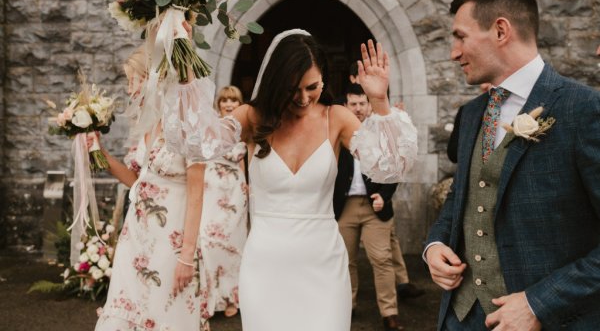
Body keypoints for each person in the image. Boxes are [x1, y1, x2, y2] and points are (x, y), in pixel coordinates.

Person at [164, 29, 418, 331]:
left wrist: (379, 101)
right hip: (266, 264)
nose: (302, 98)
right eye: (291, 89)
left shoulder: (335, 118)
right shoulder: (252, 117)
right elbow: (194, 143)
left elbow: (390, 165)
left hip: (323, 264)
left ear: (323, 78)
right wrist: (185, 75)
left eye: (311, 87)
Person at [425, 0, 600, 330]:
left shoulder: (582, 109)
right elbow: (462, 195)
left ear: (501, 31)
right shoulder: (474, 113)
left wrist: (539, 304)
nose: (453, 53)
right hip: (460, 318)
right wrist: (434, 245)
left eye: (460, 36)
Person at [95, 47, 210, 331]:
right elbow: (139, 182)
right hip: (135, 239)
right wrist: (99, 152)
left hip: (169, 246)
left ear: (154, 79)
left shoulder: (188, 124)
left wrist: (186, 256)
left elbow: (196, 194)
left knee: (165, 318)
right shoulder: (149, 125)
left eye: (132, 80)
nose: (129, 89)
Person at [333, 83, 403, 331]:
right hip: (344, 206)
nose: (359, 108)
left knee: (381, 259)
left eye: (363, 103)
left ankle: (390, 313)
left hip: (376, 206)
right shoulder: (335, 133)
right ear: (345, 106)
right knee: (345, 261)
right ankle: (347, 307)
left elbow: (394, 168)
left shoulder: (381, 131)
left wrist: (384, 195)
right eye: (354, 103)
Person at [200, 85, 248, 319]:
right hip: (211, 188)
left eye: (234, 101)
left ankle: (231, 296)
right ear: (218, 104)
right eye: (225, 101)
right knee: (208, 241)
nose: (229, 105)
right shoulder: (210, 127)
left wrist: (248, 185)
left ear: (240, 104)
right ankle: (210, 297)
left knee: (233, 243)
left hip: (235, 192)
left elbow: (244, 162)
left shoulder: (244, 129)